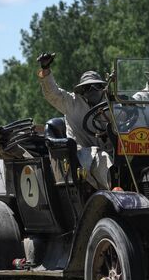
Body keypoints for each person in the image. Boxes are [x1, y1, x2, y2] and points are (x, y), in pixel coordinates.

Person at [36, 52, 113, 190]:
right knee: (101, 158)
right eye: (87, 87)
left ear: (103, 88)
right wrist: (45, 69)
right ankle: (117, 191)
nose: (92, 90)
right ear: (81, 90)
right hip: (80, 155)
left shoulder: (111, 105)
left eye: (97, 86)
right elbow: (52, 93)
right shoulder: (71, 102)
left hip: (112, 151)